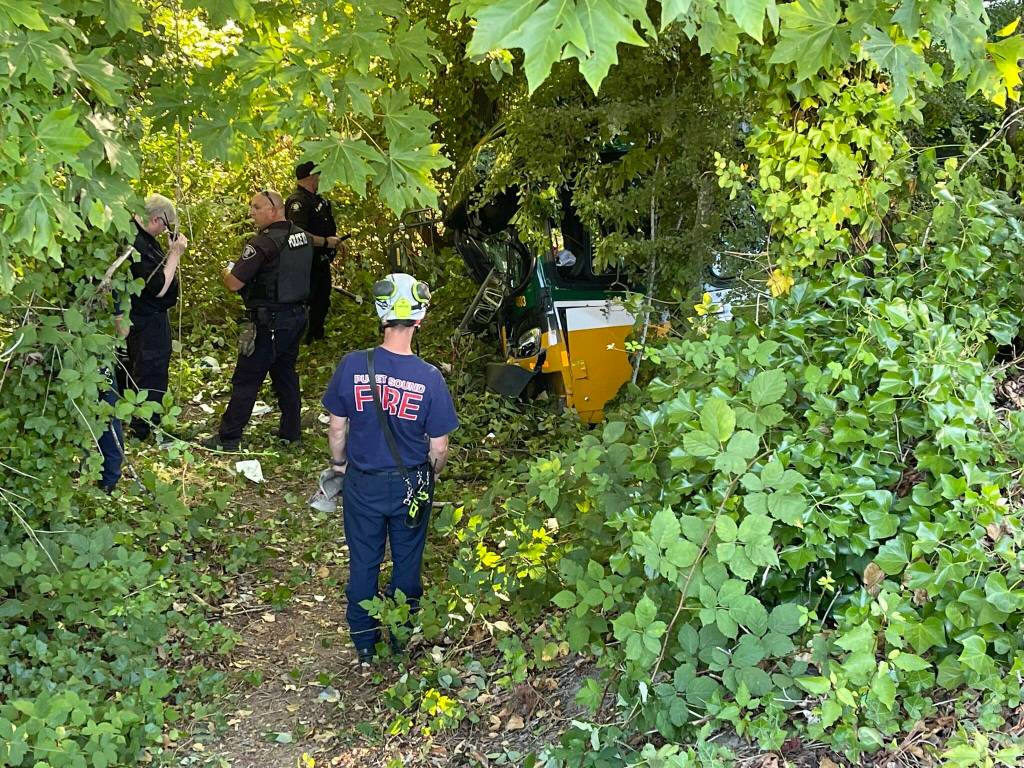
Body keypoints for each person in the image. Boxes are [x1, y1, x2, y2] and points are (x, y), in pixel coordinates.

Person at [321, 273, 459, 663]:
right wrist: (432, 474)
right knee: (407, 560)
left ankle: (364, 641)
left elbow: (337, 427)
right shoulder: (429, 378)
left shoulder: (352, 365)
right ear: (420, 318)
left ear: (380, 314)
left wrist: (339, 465)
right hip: (411, 483)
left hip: (362, 482)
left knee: (364, 560)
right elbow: (439, 446)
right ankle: (400, 634)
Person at [204, 190, 313, 450]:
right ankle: (291, 432)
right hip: (296, 317)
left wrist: (226, 270)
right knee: (285, 374)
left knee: (247, 378)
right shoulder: (303, 237)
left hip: (269, 322)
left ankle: (229, 437)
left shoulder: (263, 243)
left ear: (273, 210)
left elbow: (234, 283)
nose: (251, 213)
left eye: (256, 207)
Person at [123, 193, 188, 439]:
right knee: (151, 370)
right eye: (166, 226)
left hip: (146, 317)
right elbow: (158, 286)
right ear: (157, 219)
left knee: (144, 369)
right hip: (146, 319)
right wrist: (175, 254)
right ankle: (144, 428)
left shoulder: (144, 238)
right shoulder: (136, 242)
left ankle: (144, 423)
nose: (164, 232)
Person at [286, 162, 345, 343]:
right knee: (305, 301)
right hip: (305, 262)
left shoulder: (319, 200)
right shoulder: (298, 202)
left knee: (322, 299)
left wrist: (335, 242)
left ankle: (316, 336)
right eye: (319, 175)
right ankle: (301, 339)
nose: (321, 179)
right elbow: (297, 234)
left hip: (321, 260)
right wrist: (325, 241)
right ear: (311, 176)